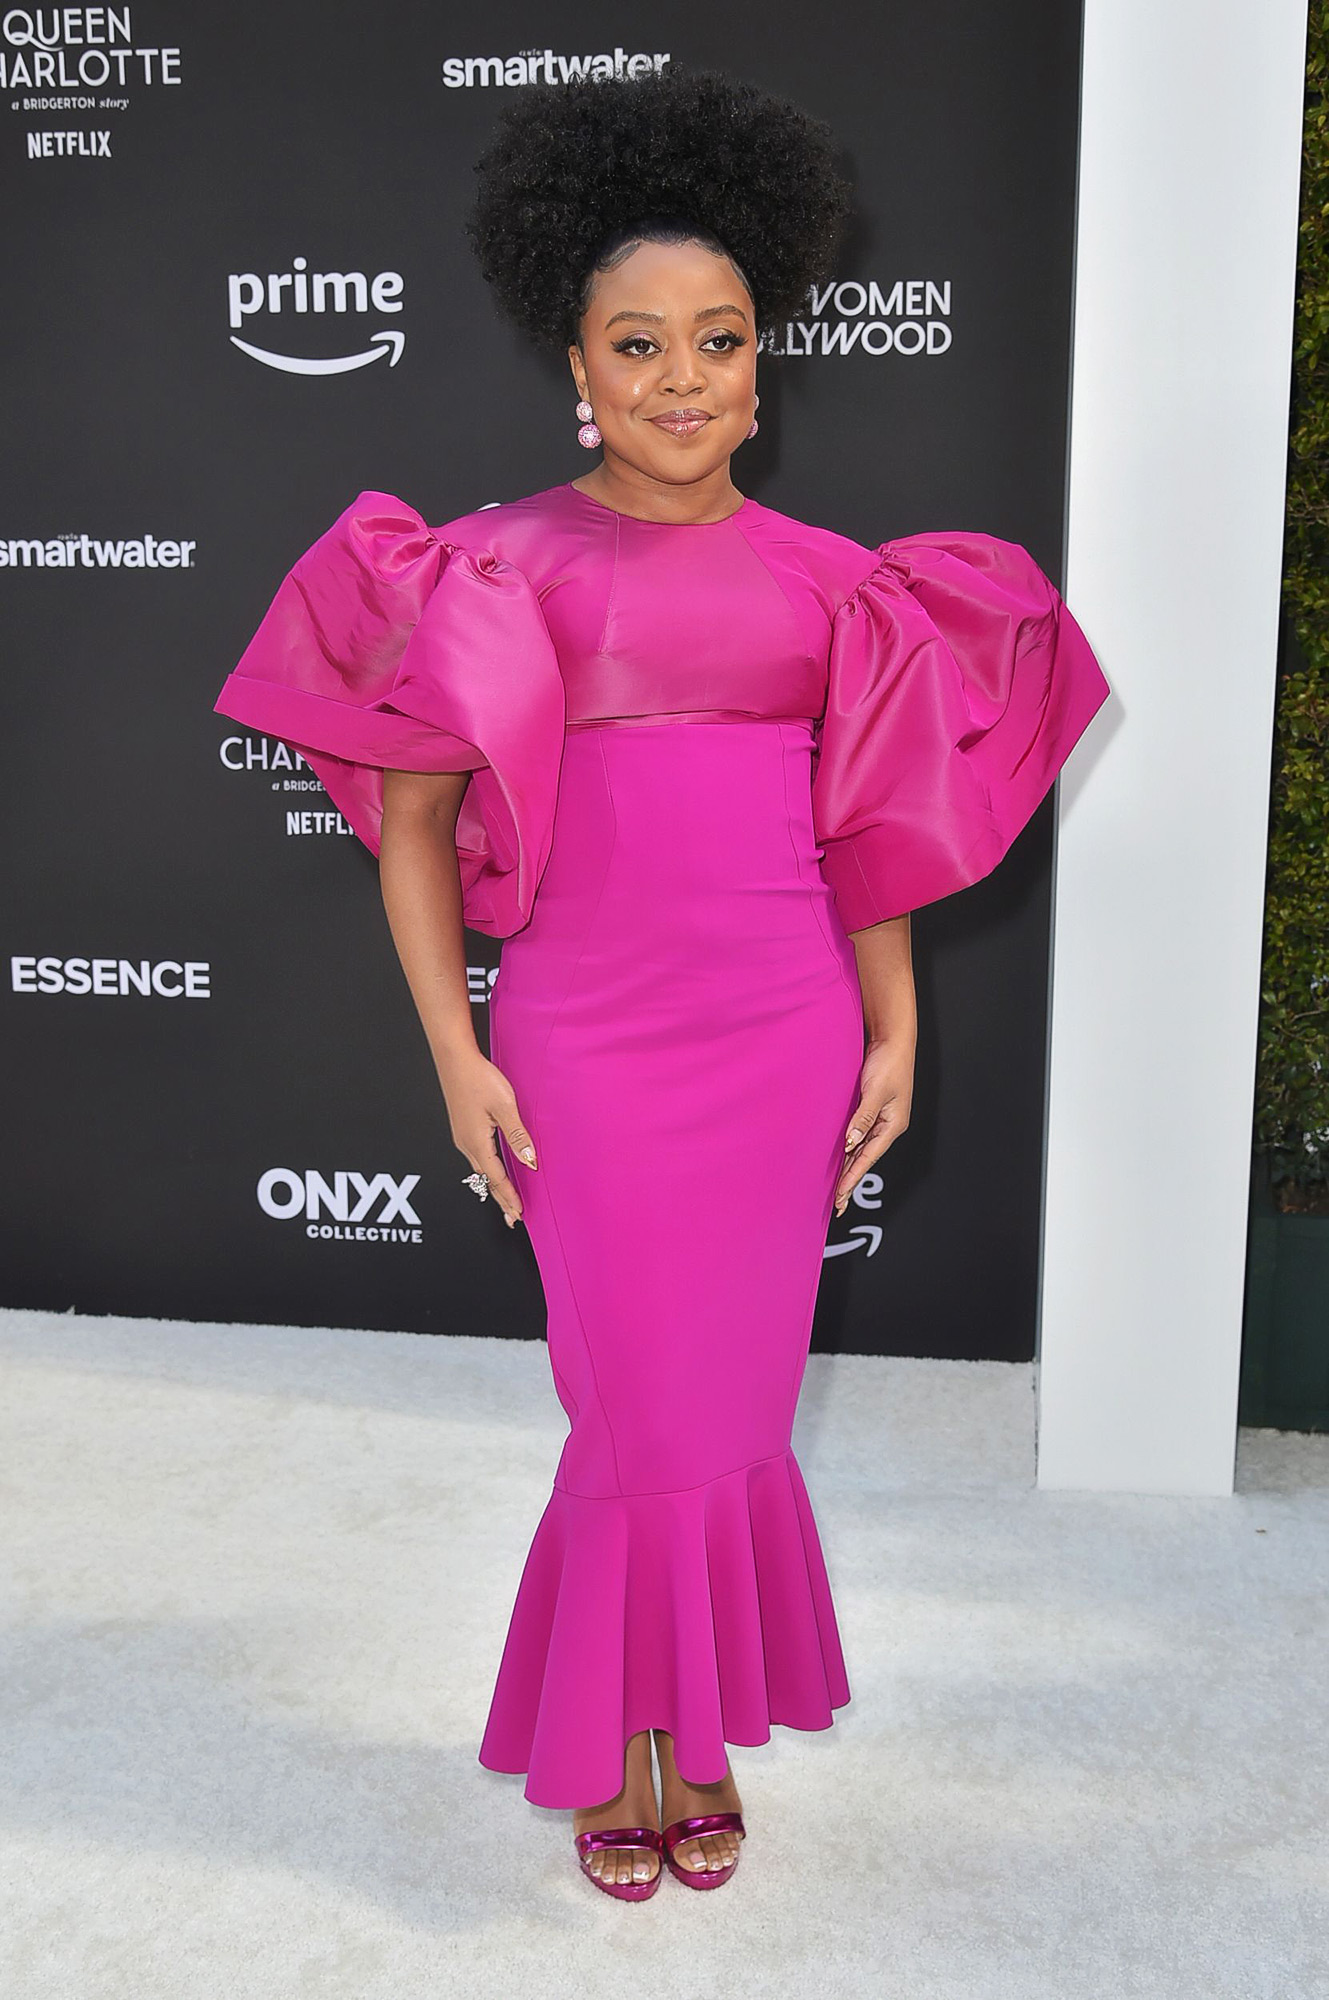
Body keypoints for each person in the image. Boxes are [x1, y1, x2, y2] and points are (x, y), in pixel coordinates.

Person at [214, 67, 1111, 1902]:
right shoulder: (493, 564)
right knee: (627, 1407)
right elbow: (411, 829)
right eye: (639, 345)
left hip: (780, 1032)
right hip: (583, 1041)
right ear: (578, 364)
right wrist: (456, 1057)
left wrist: (897, 1020)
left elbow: (866, 826)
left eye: (718, 340)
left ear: (762, 366)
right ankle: (615, 1746)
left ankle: (688, 1739)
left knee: (732, 1409)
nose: (682, 378)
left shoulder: (838, 586)